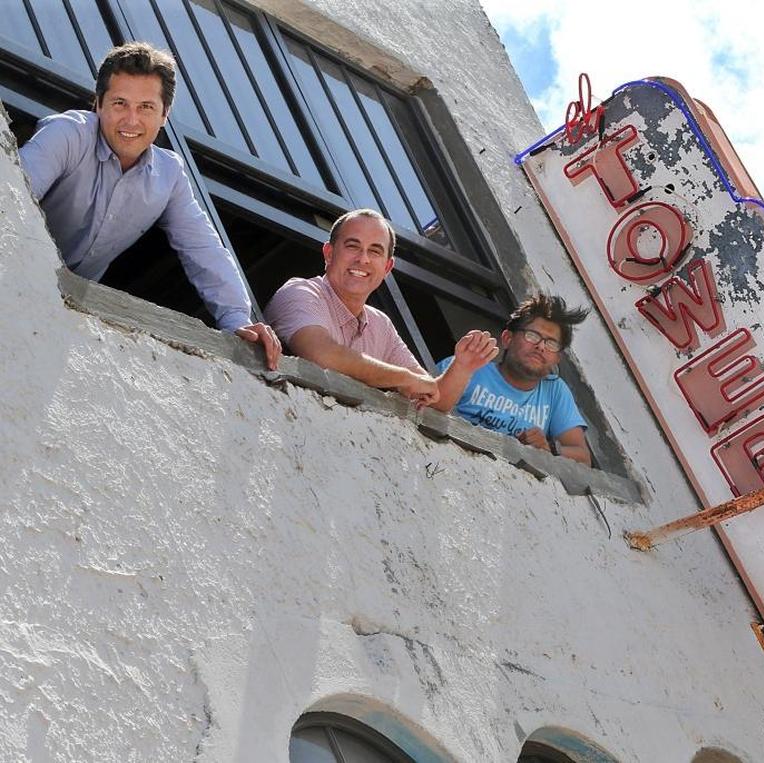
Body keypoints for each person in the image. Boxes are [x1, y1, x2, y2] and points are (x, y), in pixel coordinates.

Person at [18, 42, 280, 369]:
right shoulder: (68, 133)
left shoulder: (170, 175)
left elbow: (203, 248)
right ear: (98, 104)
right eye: (120, 103)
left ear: (164, 115)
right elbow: (11, 196)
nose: (131, 120)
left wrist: (237, 319)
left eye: (146, 107)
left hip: (62, 313)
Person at [264, 208, 497, 407]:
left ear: (387, 268)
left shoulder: (381, 325)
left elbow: (431, 399)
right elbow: (321, 355)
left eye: (375, 251)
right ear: (329, 253)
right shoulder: (301, 292)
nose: (363, 259)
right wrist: (404, 377)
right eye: (353, 246)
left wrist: (462, 367)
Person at [438, 294, 592, 465]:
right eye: (532, 335)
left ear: (557, 359)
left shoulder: (555, 391)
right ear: (507, 339)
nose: (541, 346)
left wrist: (549, 448)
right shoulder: (466, 365)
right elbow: (425, 405)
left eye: (551, 344)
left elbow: (583, 458)